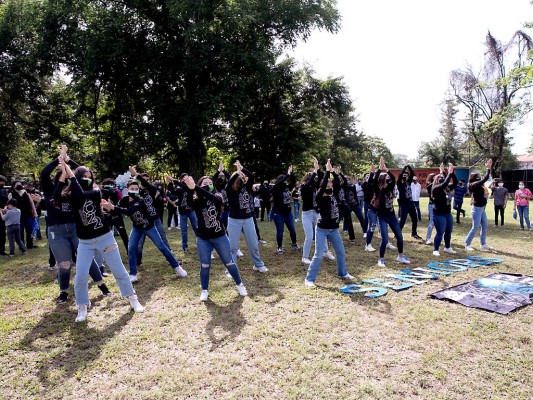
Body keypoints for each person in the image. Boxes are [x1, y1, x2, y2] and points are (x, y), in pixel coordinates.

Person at [58, 160, 143, 322]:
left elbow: (82, 195)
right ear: (76, 178)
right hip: (85, 242)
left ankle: (133, 298)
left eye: (89, 176)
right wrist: (64, 170)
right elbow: (56, 196)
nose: (87, 179)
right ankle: (82, 307)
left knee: (119, 270)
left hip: (105, 237)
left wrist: (71, 174)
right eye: (83, 177)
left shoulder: (95, 191)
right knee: (80, 276)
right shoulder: (71, 195)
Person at [43, 147, 111, 303]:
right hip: (56, 230)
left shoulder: (75, 190)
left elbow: (83, 172)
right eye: (64, 175)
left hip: (75, 228)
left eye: (69, 175)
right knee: (64, 263)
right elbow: (44, 173)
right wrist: (59, 159)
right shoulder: (51, 189)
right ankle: (64, 292)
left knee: (87, 259)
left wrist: (68, 161)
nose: (67, 177)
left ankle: (101, 284)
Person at [104, 178, 187, 283]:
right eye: (132, 188)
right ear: (127, 189)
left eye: (136, 189)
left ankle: (177, 267)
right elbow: (117, 211)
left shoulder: (140, 200)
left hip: (149, 227)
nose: (134, 190)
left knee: (162, 246)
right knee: (131, 248)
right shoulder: (124, 200)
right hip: (137, 228)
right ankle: (133, 274)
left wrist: (112, 207)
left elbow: (129, 212)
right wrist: (108, 210)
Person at [182, 175, 248, 301]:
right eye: (204, 183)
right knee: (205, 265)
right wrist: (190, 189)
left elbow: (215, 200)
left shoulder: (217, 196)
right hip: (203, 239)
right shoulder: (196, 200)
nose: (207, 184)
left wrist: (195, 187)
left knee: (229, 262)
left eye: (209, 182)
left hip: (219, 237)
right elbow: (189, 203)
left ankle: (240, 285)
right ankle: (204, 290)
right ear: (200, 185)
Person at [304, 159, 354, 287]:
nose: (330, 183)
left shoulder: (334, 194)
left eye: (330, 182)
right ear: (322, 185)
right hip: (321, 229)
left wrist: (332, 172)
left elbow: (338, 182)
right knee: (318, 255)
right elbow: (325, 181)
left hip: (334, 229)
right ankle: (309, 279)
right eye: (327, 182)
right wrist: (326, 172)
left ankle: (343, 273)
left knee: (341, 252)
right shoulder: (319, 196)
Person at [226, 160, 268, 273]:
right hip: (234, 220)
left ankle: (258, 264)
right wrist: (237, 173)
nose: (243, 177)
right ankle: (231, 269)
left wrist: (242, 168)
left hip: (248, 219)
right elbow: (230, 184)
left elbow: (251, 176)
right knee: (233, 247)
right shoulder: (230, 190)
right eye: (240, 176)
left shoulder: (248, 187)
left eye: (243, 176)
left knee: (253, 244)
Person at [371, 157, 411, 267]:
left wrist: (387, 169)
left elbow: (393, 178)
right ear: (382, 180)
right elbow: (374, 180)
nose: (389, 179)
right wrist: (379, 169)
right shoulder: (378, 190)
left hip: (391, 216)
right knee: (384, 239)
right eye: (387, 178)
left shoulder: (390, 187)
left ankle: (400, 256)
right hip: (382, 217)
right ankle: (381, 259)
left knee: (399, 236)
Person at [300, 157, 335, 264]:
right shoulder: (304, 187)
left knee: (323, 232)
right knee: (309, 236)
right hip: (306, 214)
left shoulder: (315, 186)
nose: (314, 178)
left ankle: (325, 251)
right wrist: (314, 171)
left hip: (316, 213)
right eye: (311, 176)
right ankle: (305, 257)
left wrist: (317, 166)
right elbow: (311, 180)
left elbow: (321, 178)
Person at [464, 159, 495, 251]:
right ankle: (467, 244)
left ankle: (483, 244)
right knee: (475, 227)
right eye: (477, 177)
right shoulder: (474, 184)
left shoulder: (477, 184)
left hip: (481, 208)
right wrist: (488, 168)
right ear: (474, 178)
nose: (479, 178)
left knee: (485, 225)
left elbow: (484, 182)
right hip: (477, 209)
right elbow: (485, 178)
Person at [270, 166, 301, 253]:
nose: (285, 181)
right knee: (280, 231)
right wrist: (287, 175)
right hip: (278, 213)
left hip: (287, 213)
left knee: (292, 230)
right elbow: (279, 184)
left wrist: (291, 173)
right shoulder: (275, 188)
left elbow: (293, 182)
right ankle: (279, 247)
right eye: (284, 180)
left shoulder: (286, 187)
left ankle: (294, 244)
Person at [165, 172, 198, 252]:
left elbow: (186, 188)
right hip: (182, 211)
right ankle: (185, 246)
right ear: (181, 179)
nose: (186, 179)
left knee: (196, 228)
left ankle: (200, 242)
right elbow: (172, 191)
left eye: (187, 177)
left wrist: (174, 180)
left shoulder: (190, 186)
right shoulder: (179, 188)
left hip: (191, 210)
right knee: (184, 230)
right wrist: (170, 182)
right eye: (184, 177)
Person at [431, 163, 458, 256]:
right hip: (439, 214)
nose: (442, 179)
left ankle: (447, 247)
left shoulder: (446, 188)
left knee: (448, 230)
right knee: (440, 232)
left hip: (447, 213)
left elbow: (456, 183)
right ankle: (435, 249)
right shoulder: (436, 188)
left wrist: (452, 173)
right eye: (440, 178)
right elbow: (445, 183)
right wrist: (449, 173)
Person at [8, 180, 37, 249]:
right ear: (13, 186)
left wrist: (35, 212)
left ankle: (30, 244)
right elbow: (10, 206)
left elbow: (31, 203)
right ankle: (22, 245)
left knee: (29, 230)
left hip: (28, 214)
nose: (19, 186)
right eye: (17, 184)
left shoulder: (26, 192)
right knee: (20, 231)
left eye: (20, 184)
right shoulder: (11, 194)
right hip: (18, 216)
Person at [396, 162, 421, 239]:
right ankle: (397, 235)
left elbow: (412, 173)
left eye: (406, 175)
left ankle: (414, 233)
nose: (405, 176)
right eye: (404, 175)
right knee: (402, 221)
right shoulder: (399, 183)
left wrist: (408, 166)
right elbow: (400, 175)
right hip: (404, 204)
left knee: (415, 219)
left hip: (410, 203)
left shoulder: (408, 182)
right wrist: (404, 167)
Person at [425, 173, 436, 245]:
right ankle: (428, 238)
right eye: (434, 177)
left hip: (438, 205)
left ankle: (441, 238)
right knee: (431, 222)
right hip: (432, 205)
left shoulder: (438, 185)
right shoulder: (430, 186)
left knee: (440, 222)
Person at [0, 175, 8, 256]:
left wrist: (5, 207)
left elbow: (6, 201)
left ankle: (1, 250)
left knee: (2, 232)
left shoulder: (3, 191)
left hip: (2, 213)